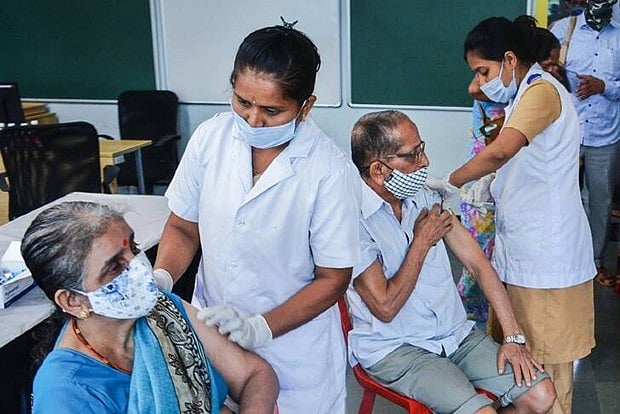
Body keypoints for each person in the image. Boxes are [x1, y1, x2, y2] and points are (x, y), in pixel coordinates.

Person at [152, 22, 360, 413]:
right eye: (243, 102)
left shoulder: (329, 170)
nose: (253, 120)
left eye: (271, 110)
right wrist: (162, 276)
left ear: (305, 106)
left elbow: (333, 279)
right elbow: (183, 226)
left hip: (294, 353)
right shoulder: (210, 138)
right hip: (213, 339)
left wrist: (259, 328)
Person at [428, 15, 596, 414]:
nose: (479, 82)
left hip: (548, 258)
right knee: (524, 364)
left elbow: (501, 151)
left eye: (483, 71)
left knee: (547, 365)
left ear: (509, 59)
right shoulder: (524, 94)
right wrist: (496, 183)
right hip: (526, 250)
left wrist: (450, 181)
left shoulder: (542, 92)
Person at [347, 110, 555, 414]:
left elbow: (478, 265)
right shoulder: (351, 221)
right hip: (397, 349)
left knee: (541, 395)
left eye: (422, 148)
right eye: (413, 155)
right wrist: (421, 242)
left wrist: (513, 337)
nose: (425, 162)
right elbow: (385, 307)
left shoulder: (423, 198)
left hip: (455, 335)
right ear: (378, 170)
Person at [22, 201, 279, 414]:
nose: (138, 266)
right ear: (73, 301)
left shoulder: (163, 310)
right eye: (115, 267)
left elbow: (255, 374)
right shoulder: (66, 392)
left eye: (133, 248)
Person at [551, 0, 620, 288]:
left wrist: (604, 86)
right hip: (566, 132)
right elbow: (542, 74)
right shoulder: (561, 30)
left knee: (600, 202)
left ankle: (594, 263)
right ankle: (559, 260)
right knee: (557, 195)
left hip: (605, 134)